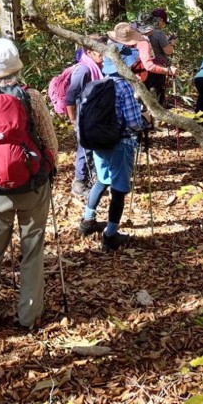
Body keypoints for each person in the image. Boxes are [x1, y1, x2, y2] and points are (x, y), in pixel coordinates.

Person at [0, 39, 58, 333]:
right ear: (17, 66)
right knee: (32, 249)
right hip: (32, 184)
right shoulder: (31, 97)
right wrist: (48, 168)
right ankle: (28, 316)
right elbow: (49, 139)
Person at [77, 23, 147, 242]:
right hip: (120, 144)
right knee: (119, 189)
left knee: (101, 180)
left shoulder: (97, 84)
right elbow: (135, 123)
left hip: (98, 142)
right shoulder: (124, 86)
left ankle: (88, 221)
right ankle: (111, 235)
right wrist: (145, 121)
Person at [65, 36, 105, 202]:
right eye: (100, 51)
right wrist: (74, 120)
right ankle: (80, 183)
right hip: (84, 118)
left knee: (92, 148)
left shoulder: (96, 67)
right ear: (89, 52)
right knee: (84, 150)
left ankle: (93, 180)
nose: (104, 54)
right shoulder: (84, 70)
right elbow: (70, 97)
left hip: (94, 116)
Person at [134, 16, 177, 104]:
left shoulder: (133, 37)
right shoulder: (147, 39)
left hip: (138, 71)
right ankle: (155, 114)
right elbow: (168, 52)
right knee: (157, 92)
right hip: (155, 67)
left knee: (144, 93)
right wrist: (172, 44)